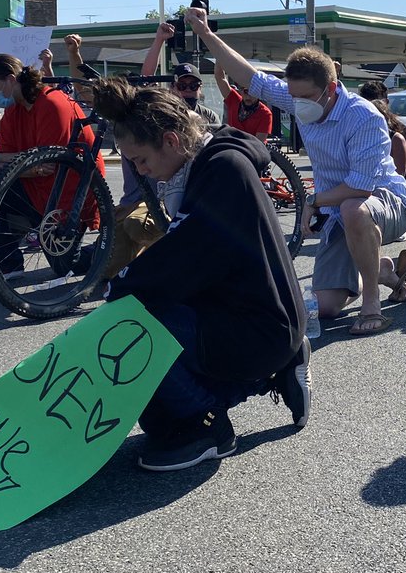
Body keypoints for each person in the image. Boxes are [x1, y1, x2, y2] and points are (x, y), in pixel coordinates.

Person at [89, 77, 309, 472]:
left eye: (141, 160)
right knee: (157, 418)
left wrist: (120, 288)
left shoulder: (223, 170)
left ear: (172, 141)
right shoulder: (197, 164)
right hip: (240, 311)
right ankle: (271, 372)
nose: (141, 172)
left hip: (260, 327)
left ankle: (209, 427)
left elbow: (185, 257)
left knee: (135, 328)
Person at [186, 8, 406, 336]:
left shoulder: (363, 117)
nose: (298, 105)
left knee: (354, 208)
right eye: (294, 97)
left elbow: (360, 188)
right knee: (325, 307)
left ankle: (371, 303)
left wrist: (313, 200)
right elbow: (249, 76)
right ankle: (385, 271)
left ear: (331, 88)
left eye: (307, 97)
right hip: (342, 212)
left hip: (386, 202)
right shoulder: (298, 99)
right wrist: (206, 34)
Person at [0, 54, 106, 285]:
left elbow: (46, 165)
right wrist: (19, 163)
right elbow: (5, 156)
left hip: (67, 195)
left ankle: (114, 247)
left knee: (67, 267)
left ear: (11, 79)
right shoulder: (14, 110)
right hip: (34, 189)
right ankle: (5, 263)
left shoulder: (52, 103)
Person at [63, 33, 165, 277]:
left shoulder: (161, 116)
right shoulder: (123, 118)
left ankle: (163, 260)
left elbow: (148, 76)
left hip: (158, 205)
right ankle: (125, 256)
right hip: (129, 206)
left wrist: (160, 39)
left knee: (137, 226)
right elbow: (85, 90)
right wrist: (74, 53)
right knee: (99, 270)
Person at [214, 61, 273, 138]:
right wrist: (219, 55)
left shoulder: (265, 114)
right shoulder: (234, 99)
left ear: (259, 94)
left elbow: (259, 143)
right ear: (241, 91)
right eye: (246, 91)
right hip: (230, 146)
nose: (249, 97)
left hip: (250, 149)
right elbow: (220, 77)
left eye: (253, 93)